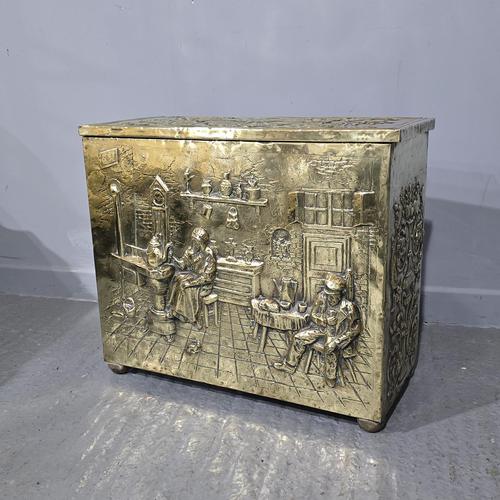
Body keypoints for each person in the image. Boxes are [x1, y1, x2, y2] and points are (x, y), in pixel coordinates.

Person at [273, 272, 361, 387]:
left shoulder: (349, 307)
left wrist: (336, 341)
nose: (331, 299)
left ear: (341, 294)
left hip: (339, 335)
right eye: (329, 295)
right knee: (299, 338)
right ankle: (289, 366)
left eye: (334, 296)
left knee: (330, 348)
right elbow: (313, 315)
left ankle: (331, 377)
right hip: (321, 329)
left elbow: (355, 330)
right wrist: (324, 320)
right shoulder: (322, 297)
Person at [167, 227, 216, 325]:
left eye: (196, 242)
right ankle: (175, 310)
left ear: (202, 242)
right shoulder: (191, 250)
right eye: (193, 241)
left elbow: (207, 277)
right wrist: (173, 257)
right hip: (193, 275)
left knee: (186, 286)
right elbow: (182, 265)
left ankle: (190, 317)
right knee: (177, 278)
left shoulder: (208, 254)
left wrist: (190, 283)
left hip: (204, 283)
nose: (194, 244)